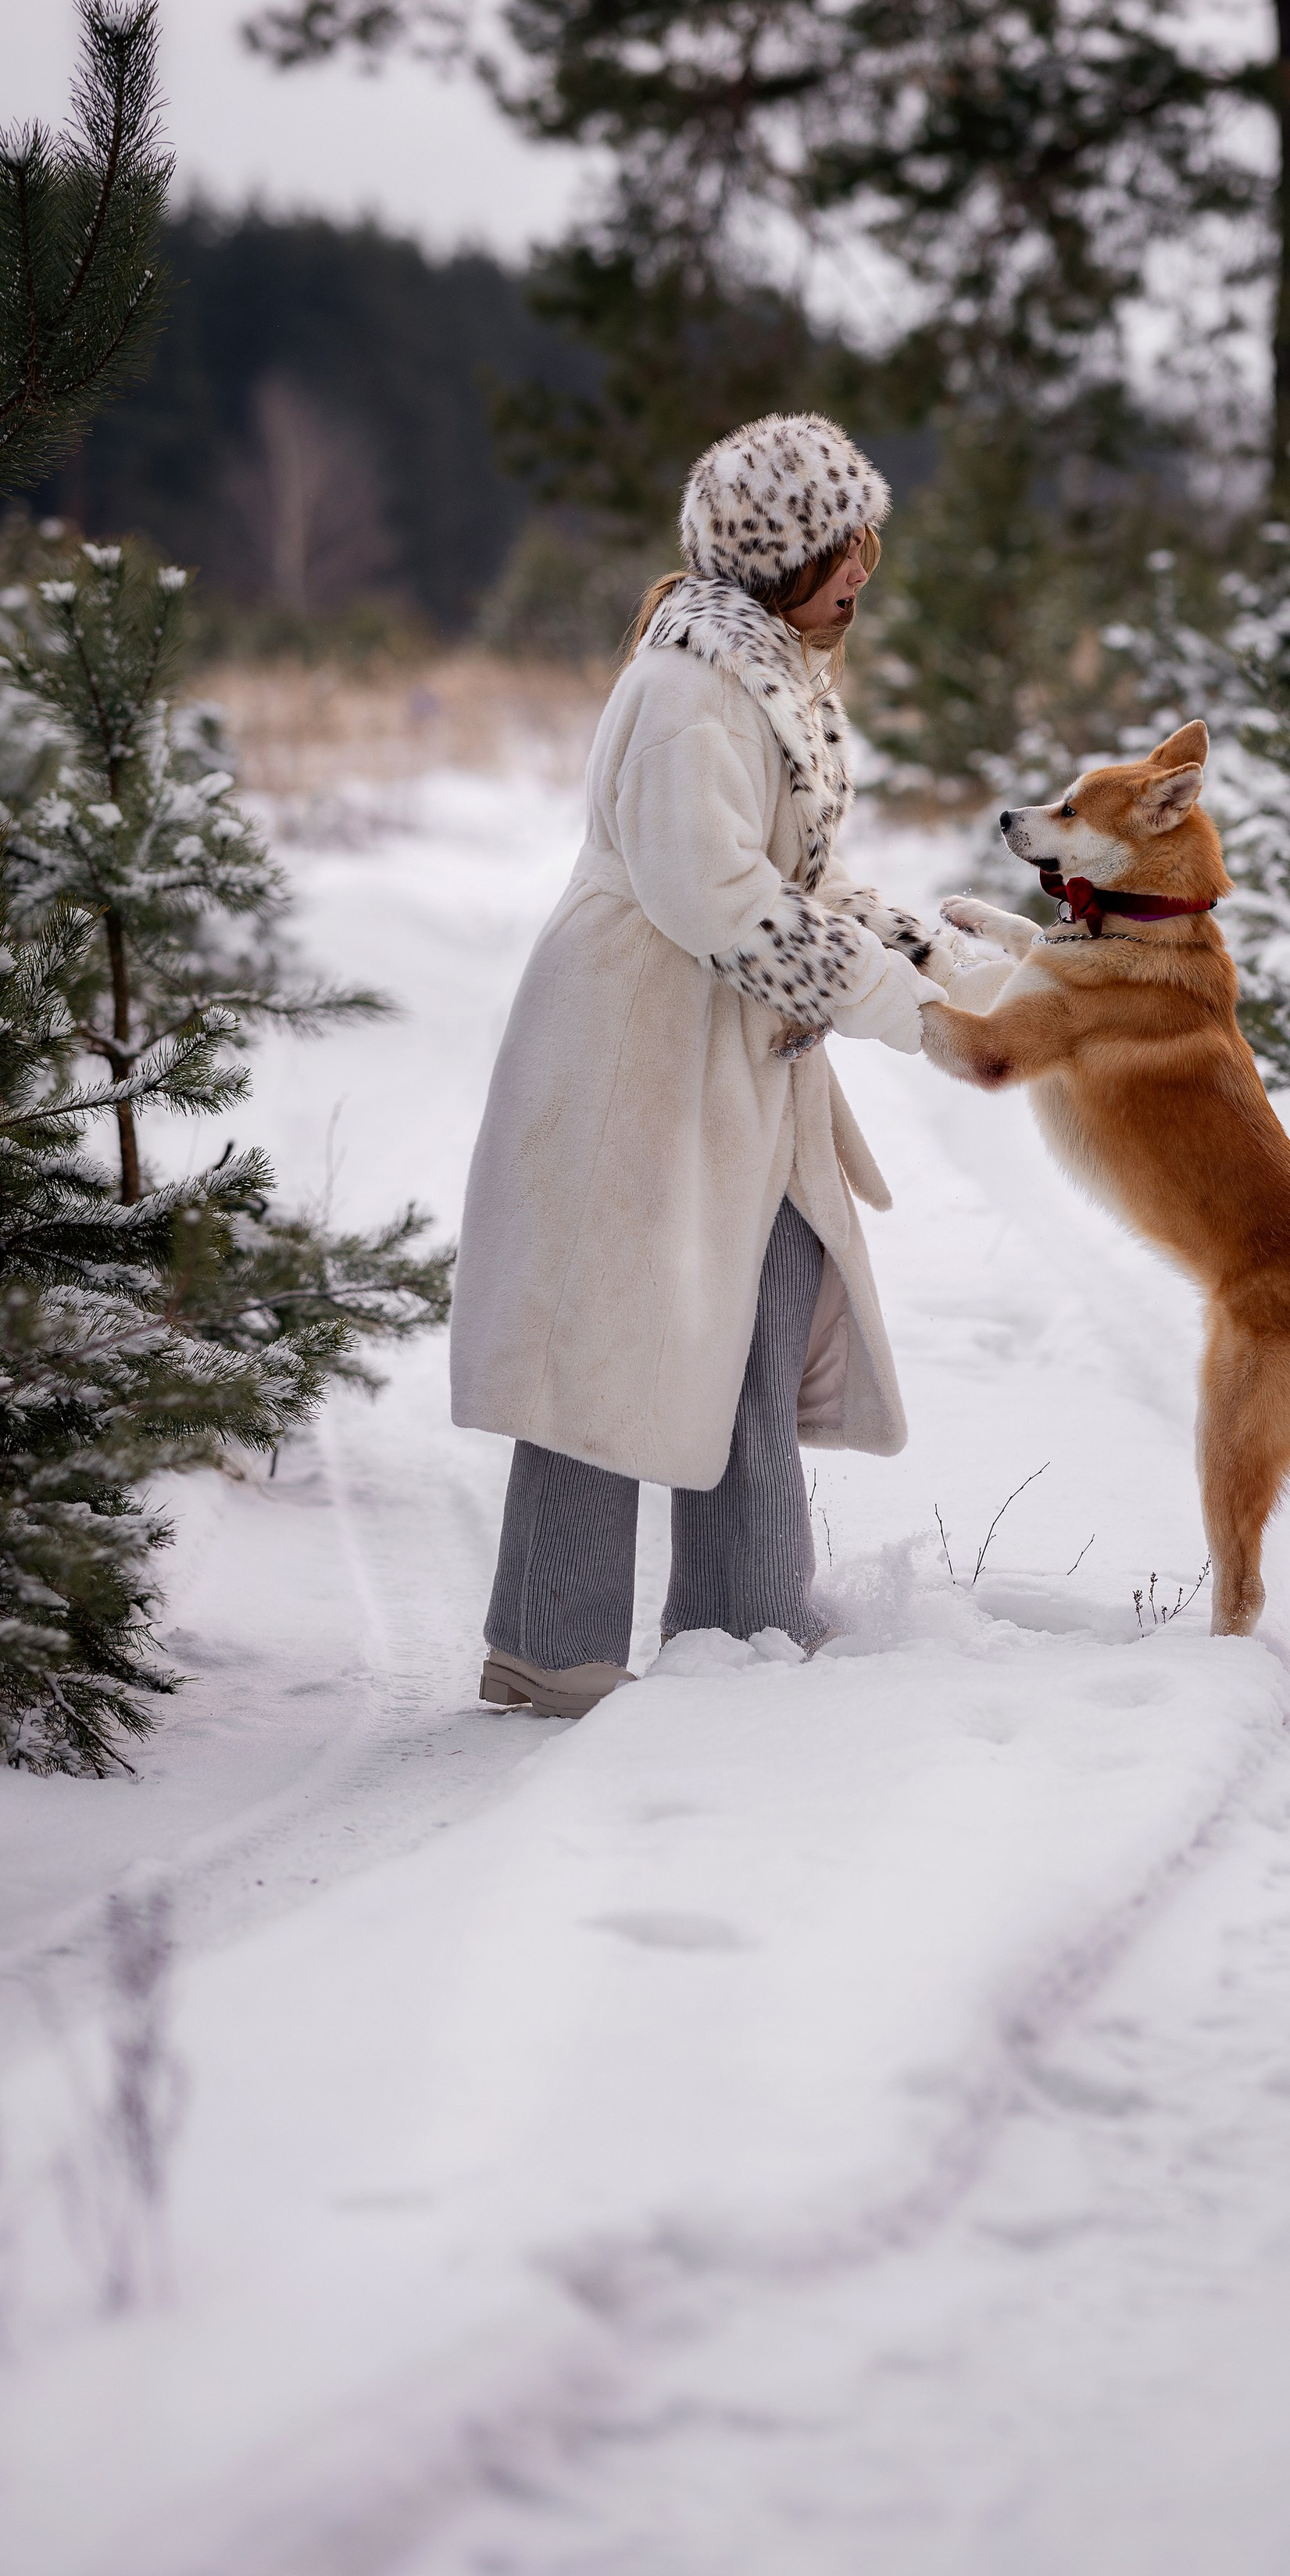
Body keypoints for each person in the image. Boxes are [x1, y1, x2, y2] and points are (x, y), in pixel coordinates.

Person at [449, 413, 968, 1717]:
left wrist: (946, 964)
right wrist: (885, 1001)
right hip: (637, 1048)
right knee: (604, 1350)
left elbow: (800, 878)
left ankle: (744, 1627)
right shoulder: (692, 691)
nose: (863, 570)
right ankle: (550, 1654)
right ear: (775, 555)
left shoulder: (775, 668)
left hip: (732, 1058)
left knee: (760, 1312)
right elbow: (714, 894)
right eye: (838, 549)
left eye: (869, 542)